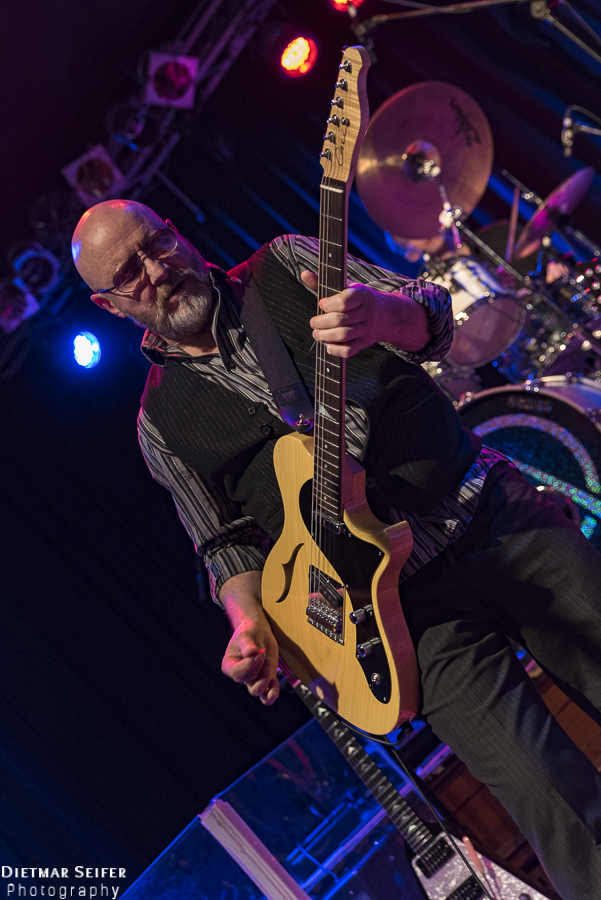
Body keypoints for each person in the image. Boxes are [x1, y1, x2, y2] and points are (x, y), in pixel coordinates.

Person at [72, 199, 601, 900]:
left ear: (176, 230)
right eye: (130, 274)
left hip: (488, 514)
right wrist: (248, 625)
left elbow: (430, 311)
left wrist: (385, 317)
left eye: (156, 244)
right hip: (403, 617)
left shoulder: (286, 264)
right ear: (108, 305)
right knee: (550, 800)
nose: (157, 269)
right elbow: (226, 542)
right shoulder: (159, 426)